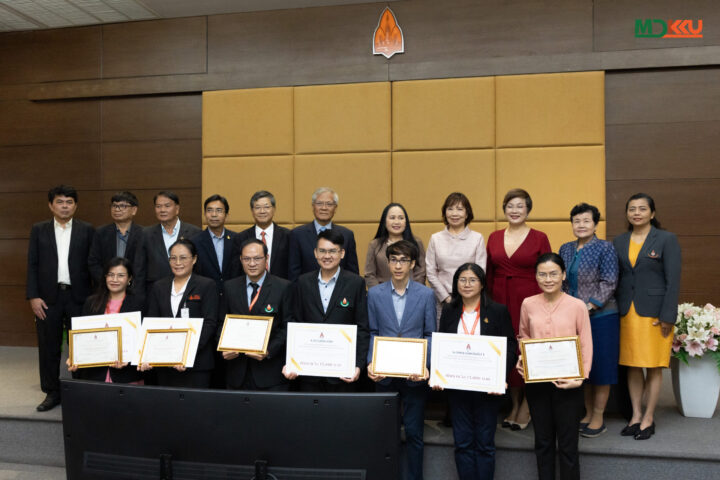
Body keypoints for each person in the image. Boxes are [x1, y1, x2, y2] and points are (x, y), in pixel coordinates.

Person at [434, 263, 517, 480]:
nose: (467, 284)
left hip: (487, 389)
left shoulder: (497, 311)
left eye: (472, 280)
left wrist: (500, 376)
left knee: (485, 444)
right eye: (462, 280)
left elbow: (510, 346)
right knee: (462, 443)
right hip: (457, 388)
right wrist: (438, 374)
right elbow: (442, 345)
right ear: (456, 284)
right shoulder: (449, 311)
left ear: (482, 284)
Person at [613, 193, 681, 440]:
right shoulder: (619, 241)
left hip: (654, 314)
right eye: (632, 209)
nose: (637, 213)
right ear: (627, 214)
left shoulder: (666, 239)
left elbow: (673, 280)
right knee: (632, 366)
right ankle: (636, 415)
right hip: (626, 313)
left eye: (642, 208)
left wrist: (668, 315)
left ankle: (649, 418)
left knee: (653, 366)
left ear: (652, 213)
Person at [518, 253, 592, 480]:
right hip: (537, 383)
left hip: (568, 383)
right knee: (543, 442)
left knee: (568, 446)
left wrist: (580, 378)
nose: (548, 279)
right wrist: (523, 360)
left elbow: (586, 343)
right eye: (542, 274)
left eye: (553, 274)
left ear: (563, 275)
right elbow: (523, 336)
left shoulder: (577, 306)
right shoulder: (528, 304)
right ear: (536, 276)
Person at [367, 240, 435, 480]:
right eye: (393, 260)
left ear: (413, 264)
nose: (398, 265)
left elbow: (429, 334)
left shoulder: (426, 294)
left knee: (414, 433)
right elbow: (373, 331)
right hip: (384, 375)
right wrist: (371, 362)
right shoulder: (374, 294)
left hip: (414, 376)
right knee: (386, 435)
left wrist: (425, 365)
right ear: (388, 263)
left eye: (403, 260)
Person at [486, 188, 551, 429]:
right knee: (507, 349)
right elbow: (489, 273)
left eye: (520, 206)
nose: (514, 210)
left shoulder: (540, 237)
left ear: (528, 210)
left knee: (528, 348)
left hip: (530, 300)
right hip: (500, 301)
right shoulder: (493, 237)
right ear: (504, 209)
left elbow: (548, 272)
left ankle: (527, 405)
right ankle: (514, 404)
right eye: (510, 206)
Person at [26, 185, 95, 412]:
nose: (65, 206)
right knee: (48, 347)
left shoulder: (87, 229)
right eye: (60, 202)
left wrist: (95, 298)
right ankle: (52, 392)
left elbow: (93, 264)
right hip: (47, 298)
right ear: (51, 205)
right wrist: (33, 296)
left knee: (81, 346)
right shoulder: (39, 229)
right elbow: (32, 264)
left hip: (79, 297)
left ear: (75, 205)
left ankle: (81, 391)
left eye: (69, 202)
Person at [559, 203, 619, 438]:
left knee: (601, 366)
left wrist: (588, 306)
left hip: (601, 317)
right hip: (572, 317)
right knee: (581, 366)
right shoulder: (565, 249)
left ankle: (598, 416)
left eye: (586, 221)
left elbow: (610, 281)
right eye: (576, 221)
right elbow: (561, 281)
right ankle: (586, 413)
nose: (581, 225)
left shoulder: (605, 248)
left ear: (595, 224)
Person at [283, 229, 369, 392]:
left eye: (332, 251)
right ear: (315, 253)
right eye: (322, 251)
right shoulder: (303, 282)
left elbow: (362, 327)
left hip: (343, 373)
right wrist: (292, 360)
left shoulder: (356, 283)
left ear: (342, 253)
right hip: (308, 371)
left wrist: (358, 365)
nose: (327, 256)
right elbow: (295, 323)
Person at [142, 239, 218, 388]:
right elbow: (152, 323)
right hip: (165, 363)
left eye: (183, 258)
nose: (178, 263)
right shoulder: (159, 286)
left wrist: (185, 353)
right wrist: (148, 354)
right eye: (173, 258)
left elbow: (209, 324)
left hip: (196, 363)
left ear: (194, 259)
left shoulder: (206, 285)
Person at [221, 239, 291, 391]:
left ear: (267, 258)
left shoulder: (283, 287)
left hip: (270, 373)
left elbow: (288, 326)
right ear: (241, 260)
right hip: (236, 372)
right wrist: (223, 347)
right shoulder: (229, 287)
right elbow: (221, 323)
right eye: (247, 259)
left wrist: (269, 350)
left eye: (257, 258)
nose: (252, 263)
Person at [68, 257, 144, 384]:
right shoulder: (91, 303)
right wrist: (75, 356)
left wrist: (129, 360)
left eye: (120, 275)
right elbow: (82, 337)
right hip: (95, 373)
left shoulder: (139, 304)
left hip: (126, 375)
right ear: (105, 277)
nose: (115, 279)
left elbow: (142, 342)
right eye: (110, 275)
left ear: (129, 278)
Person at [426, 192, 487, 317]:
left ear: (467, 213)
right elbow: (430, 273)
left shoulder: (477, 238)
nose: (454, 213)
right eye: (450, 209)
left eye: (459, 209)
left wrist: (467, 296)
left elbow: (480, 272)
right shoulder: (435, 239)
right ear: (445, 213)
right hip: (442, 300)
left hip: (471, 299)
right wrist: (446, 298)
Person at [134, 191, 201, 294]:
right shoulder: (145, 234)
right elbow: (139, 270)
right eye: (158, 206)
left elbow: (199, 267)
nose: (162, 210)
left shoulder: (194, 232)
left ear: (177, 209)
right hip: (155, 292)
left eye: (167, 206)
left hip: (188, 291)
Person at [287, 187, 359, 281]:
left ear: (335, 208)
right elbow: (293, 272)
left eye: (329, 204)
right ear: (313, 206)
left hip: (340, 289)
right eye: (319, 203)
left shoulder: (347, 235)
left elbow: (353, 273)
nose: (324, 208)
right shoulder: (297, 234)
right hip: (306, 289)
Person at [88, 191, 144, 286]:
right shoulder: (100, 233)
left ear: (134, 210)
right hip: (106, 287)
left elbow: (145, 265)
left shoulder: (144, 234)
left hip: (134, 287)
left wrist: (130, 282)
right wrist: (108, 281)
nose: (117, 209)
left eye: (123, 206)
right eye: (114, 206)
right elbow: (93, 262)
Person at [364, 203, 426, 288]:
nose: (396, 222)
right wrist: (379, 293)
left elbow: (421, 273)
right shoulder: (374, 245)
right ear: (385, 221)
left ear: (406, 221)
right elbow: (369, 275)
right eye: (392, 218)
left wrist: (413, 292)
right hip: (382, 293)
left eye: (401, 218)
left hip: (412, 293)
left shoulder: (416, 243)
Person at [191, 194, 239, 301]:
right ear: (204, 214)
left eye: (219, 210)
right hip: (205, 297)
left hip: (233, 297)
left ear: (226, 215)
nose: (214, 215)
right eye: (209, 210)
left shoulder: (237, 240)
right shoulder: (195, 242)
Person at [234, 190, 291, 279]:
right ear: (252, 211)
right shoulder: (241, 238)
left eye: (266, 207)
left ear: (274, 209)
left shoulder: (288, 236)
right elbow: (237, 270)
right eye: (257, 207)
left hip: (281, 285)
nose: (262, 211)